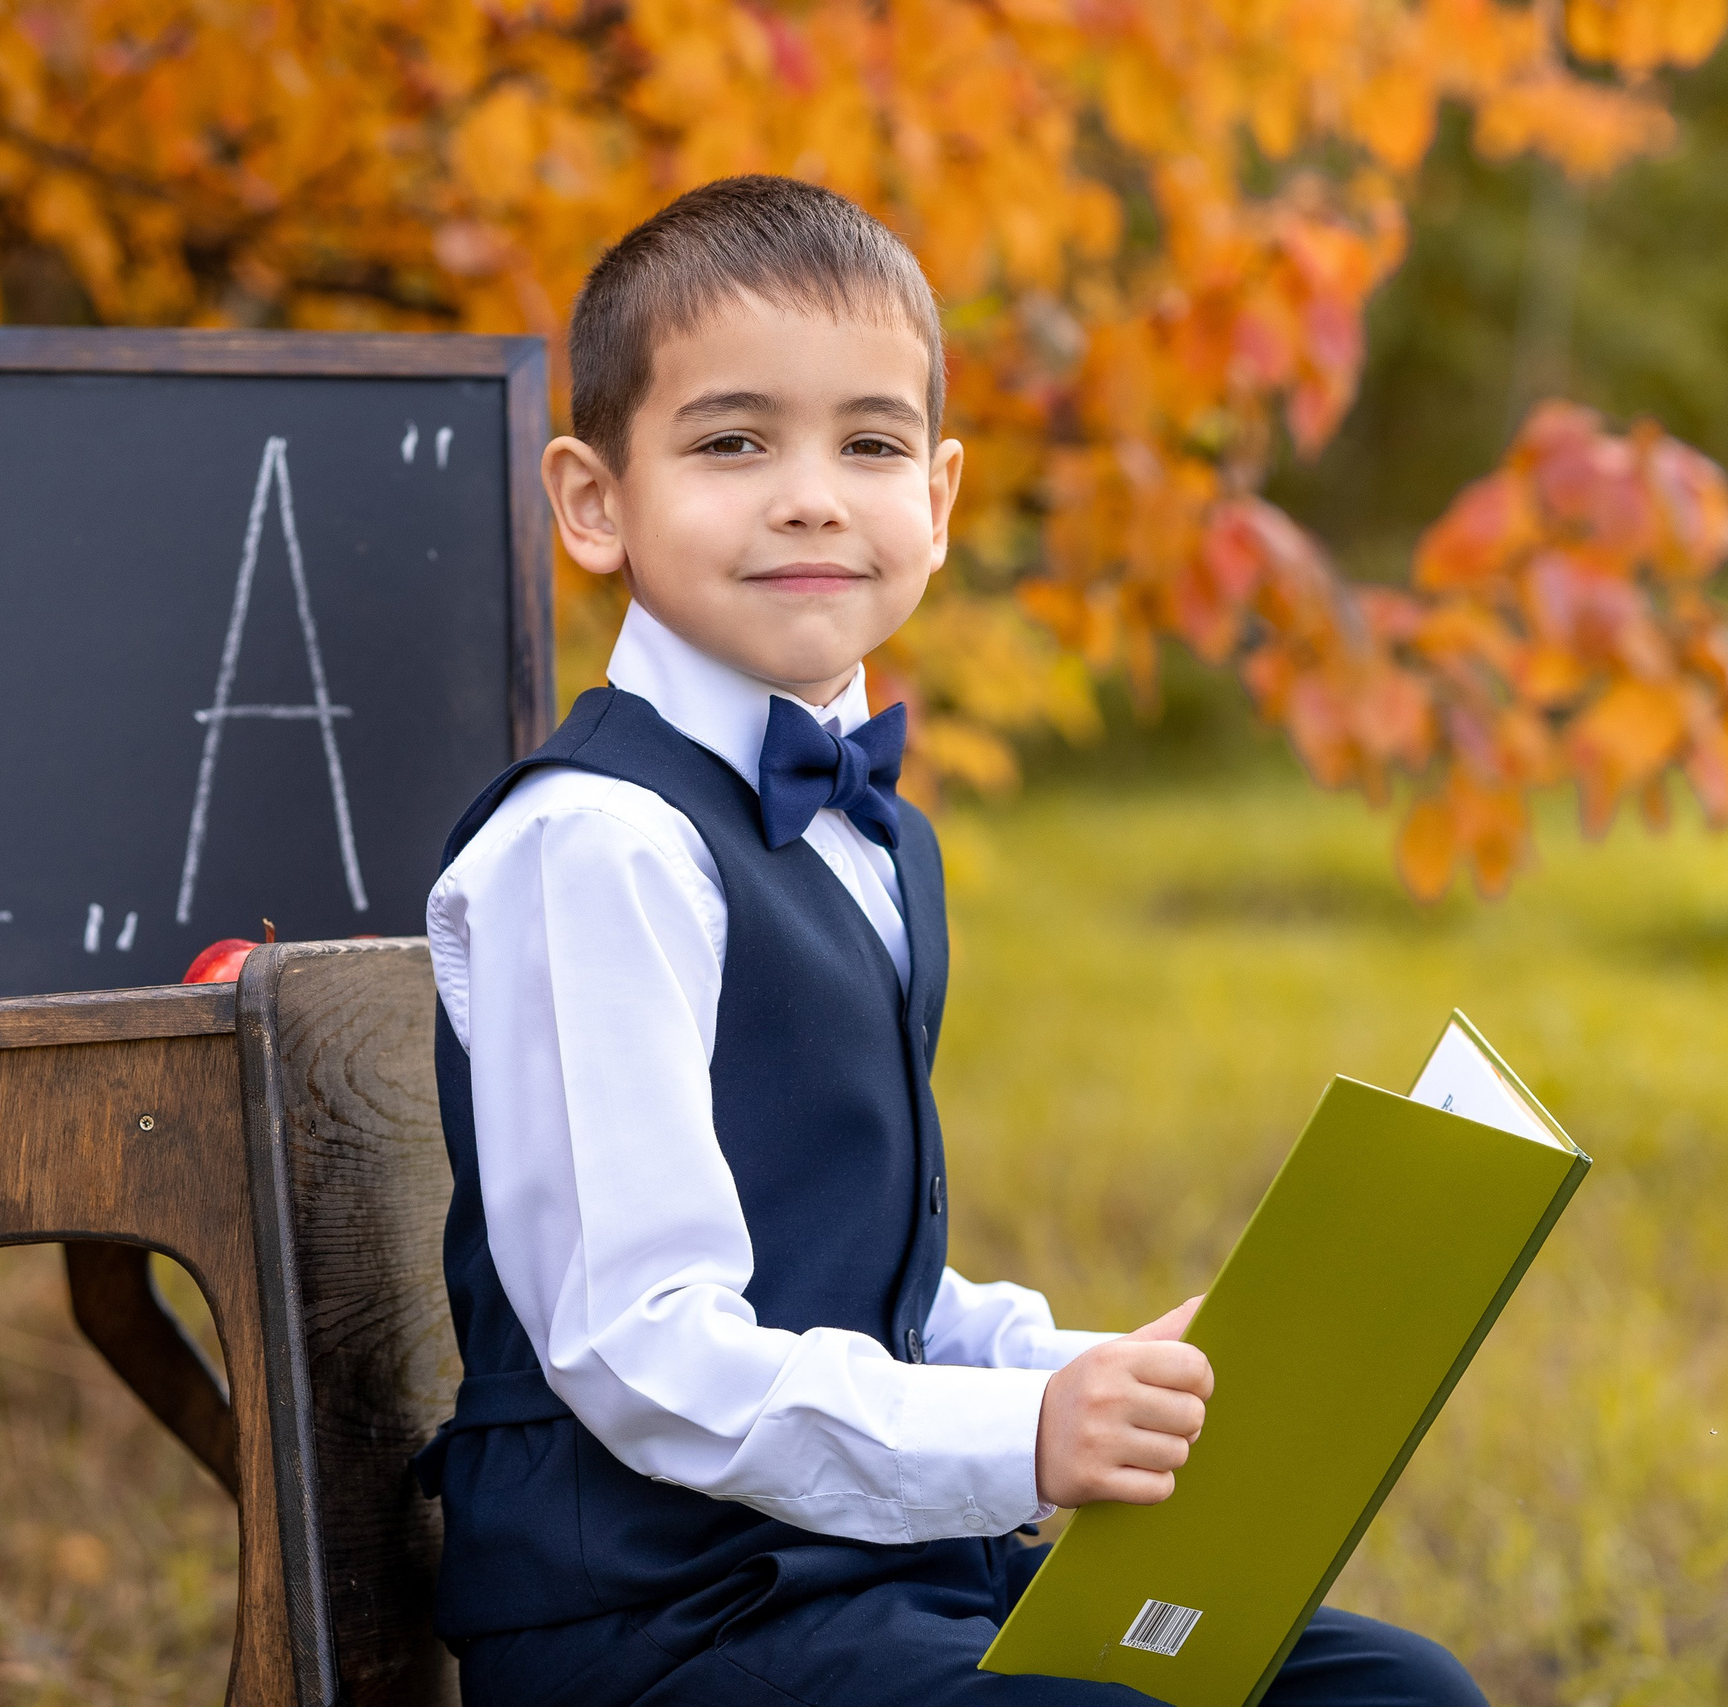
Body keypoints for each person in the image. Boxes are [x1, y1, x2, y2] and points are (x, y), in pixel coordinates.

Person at [417, 174, 1486, 1707]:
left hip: (882, 1569)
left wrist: (1091, 1375)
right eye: (733, 442)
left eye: (870, 443)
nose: (812, 494)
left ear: (940, 495)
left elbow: (864, 1284)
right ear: (595, 502)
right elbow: (640, 1343)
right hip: (659, 1622)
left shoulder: (878, 836)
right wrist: (1020, 1443)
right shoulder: (596, 847)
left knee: (1392, 1692)